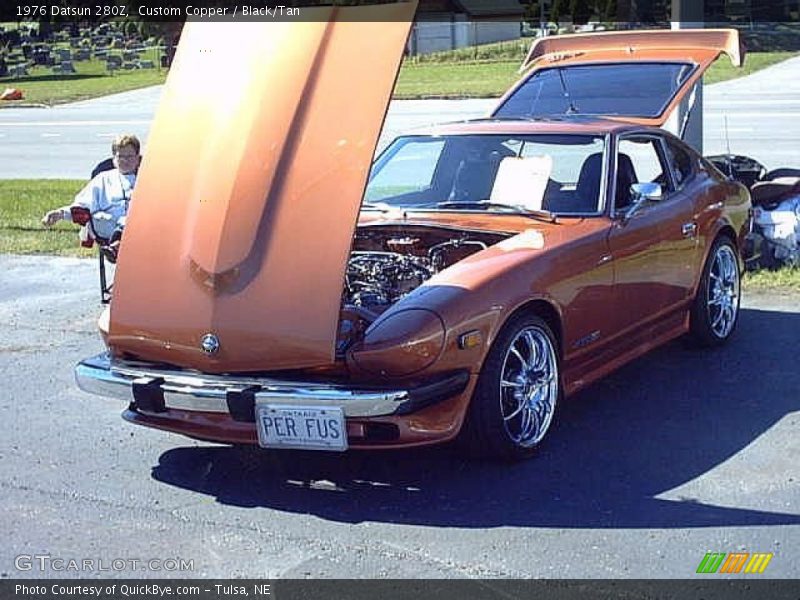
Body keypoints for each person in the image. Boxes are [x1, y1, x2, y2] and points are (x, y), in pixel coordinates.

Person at [42, 134, 141, 241]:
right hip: (109, 228)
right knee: (101, 218)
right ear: (114, 159)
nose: (125, 161)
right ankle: (118, 244)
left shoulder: (147, 179)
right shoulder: (103, 179)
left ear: (137, 158)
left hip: (139, 227)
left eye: (129, 156)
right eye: (120, 157)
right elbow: (82, 207)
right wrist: (60, 214)